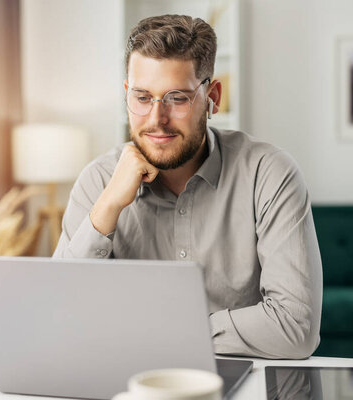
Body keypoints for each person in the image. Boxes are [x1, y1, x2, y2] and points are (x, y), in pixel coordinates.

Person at [53, 14, 322, 359]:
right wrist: (107, 208)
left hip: (241, 380)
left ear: (213, 96)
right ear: (127, 95)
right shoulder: (98, 180)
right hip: (129, 379)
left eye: (177, 98)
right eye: (142, 97)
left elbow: (295, 327)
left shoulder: (269, 174)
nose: (156, 119)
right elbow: (60, 316)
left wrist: (163, 332)